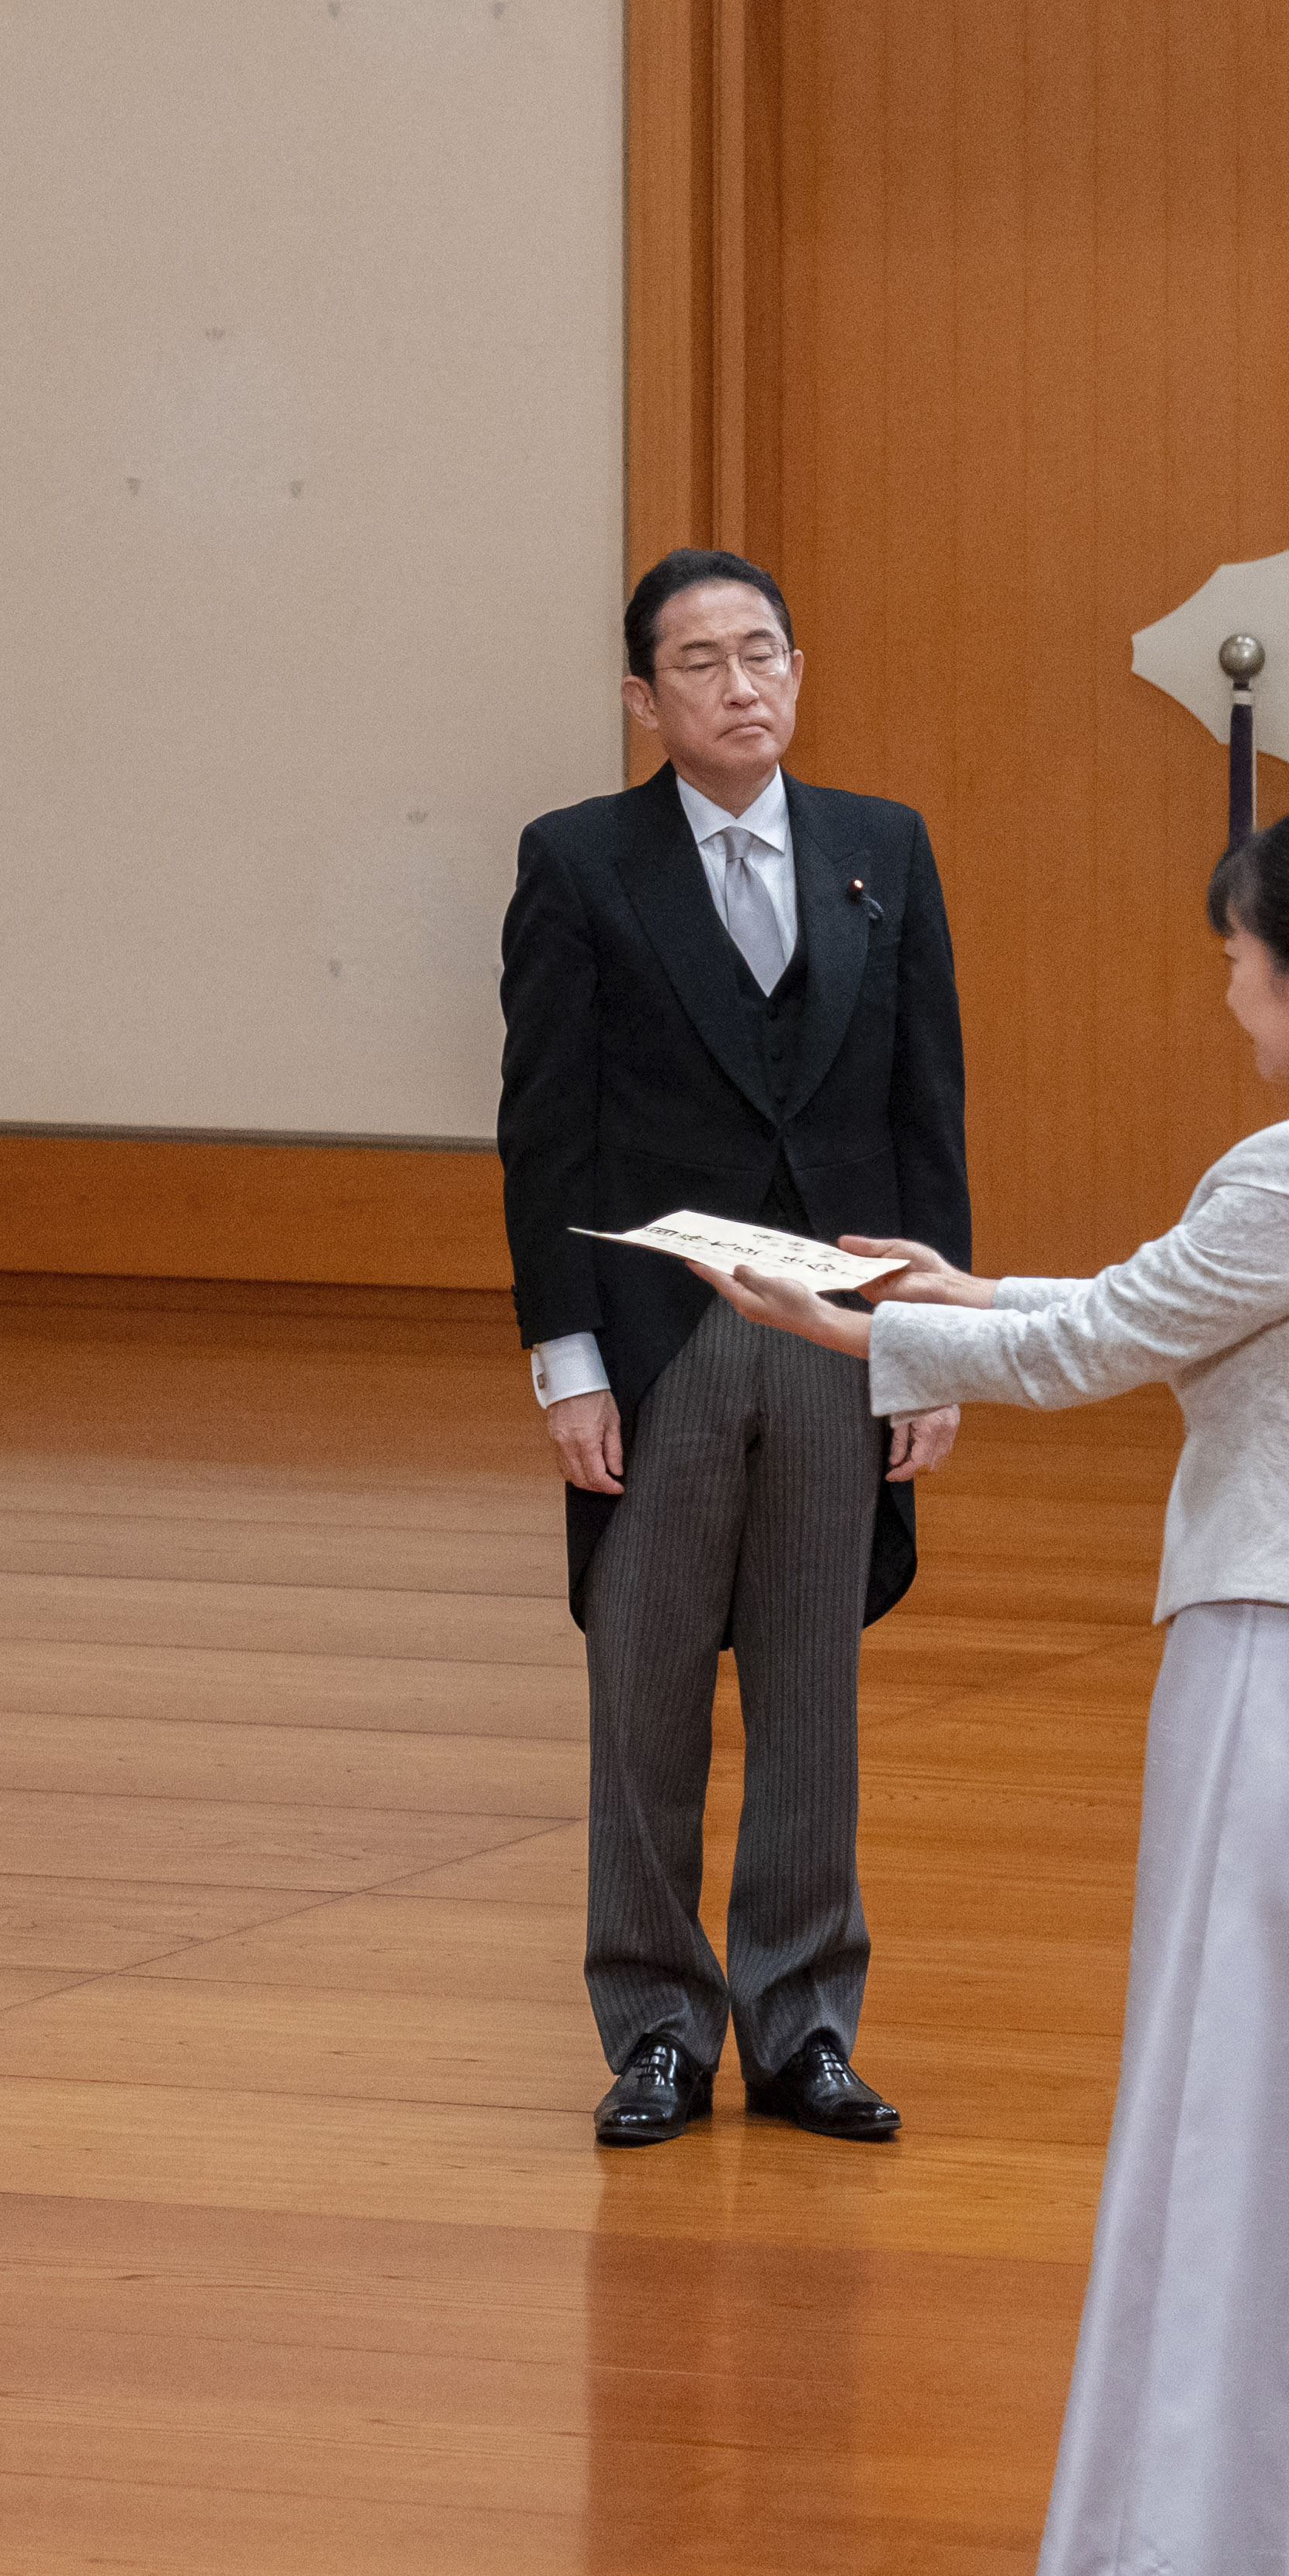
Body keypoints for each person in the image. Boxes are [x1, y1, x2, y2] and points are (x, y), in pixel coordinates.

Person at [697, 806, 1289, 2576]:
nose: (1227, 995)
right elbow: (1165, 1310)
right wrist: (962, 1290)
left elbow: (1099, 1350)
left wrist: (845, 1326)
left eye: (1238, 962)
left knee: (1257, 2094)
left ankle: (1253, 2567)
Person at [497, 548, 970, 2150]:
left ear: (797, 669)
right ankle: (654, 2025)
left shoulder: (880, 850)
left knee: (810, 1688)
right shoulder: (579, 862)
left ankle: (803, 2027)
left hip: (836, 1332)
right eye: (698, 661)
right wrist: (566, 1358)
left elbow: (922, 1114)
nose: (738, 683)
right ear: (645, 699)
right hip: (659, 1336)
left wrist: (929, 1349)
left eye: (760, 650)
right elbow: (544, 1131)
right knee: (642, 1687)